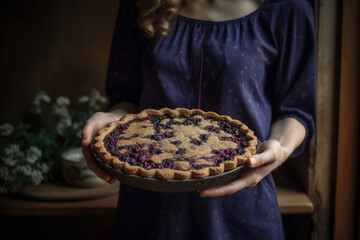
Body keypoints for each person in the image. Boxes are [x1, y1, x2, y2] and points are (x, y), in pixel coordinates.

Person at [81, 0, 316, 239]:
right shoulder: (142, 3)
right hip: (149, 207)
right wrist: (111, 125)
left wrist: (280, 148)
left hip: (241, 205)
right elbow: (128, 103)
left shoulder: (287, 8)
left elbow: (296, 111)